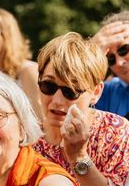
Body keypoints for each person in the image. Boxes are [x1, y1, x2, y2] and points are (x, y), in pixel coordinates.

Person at [33, 32, 129, 186]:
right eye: (48, 86)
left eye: (71, 90)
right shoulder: (25, 136)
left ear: (96, 93)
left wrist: (79, 157)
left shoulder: (116, 131)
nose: (57, 100)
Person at [92, 10, 129, 117]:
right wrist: (89, 54)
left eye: (123, 49)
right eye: (110, 59)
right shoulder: (104, 93)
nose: (119, 62)